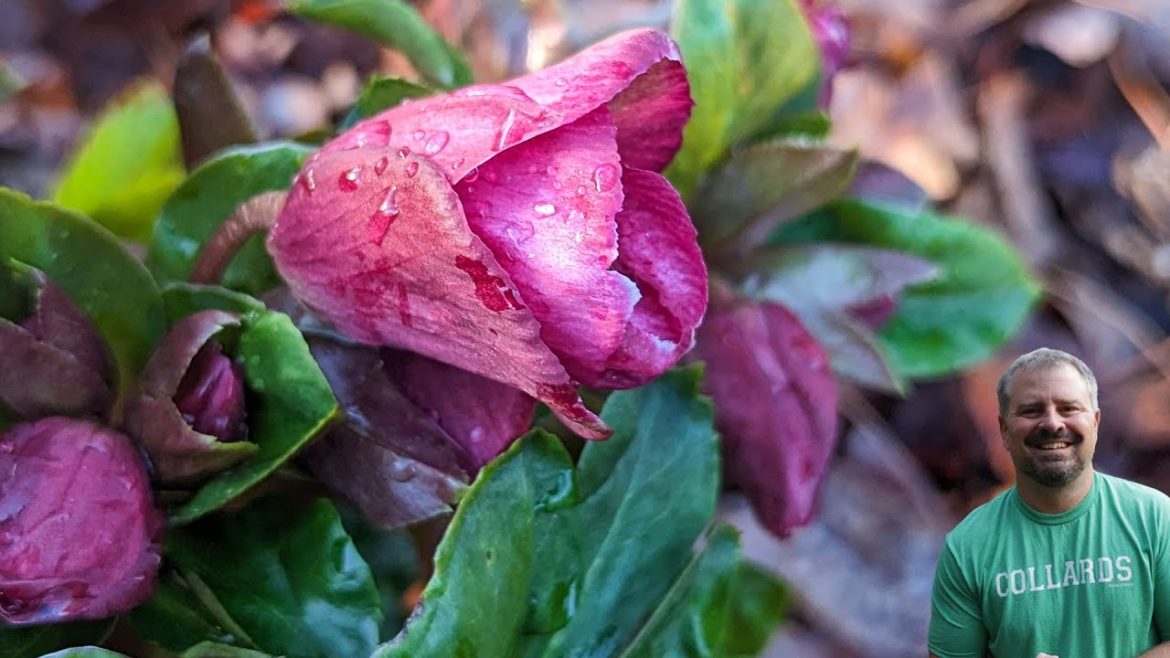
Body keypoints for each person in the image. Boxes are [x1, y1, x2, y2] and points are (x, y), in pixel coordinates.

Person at [928, 348, 1170, 657]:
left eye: (1069, 408)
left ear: (1095, 421)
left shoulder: (1152, 518)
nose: (1053, 424)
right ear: (1003, 429)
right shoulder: (969, 546)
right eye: (1031, 411)